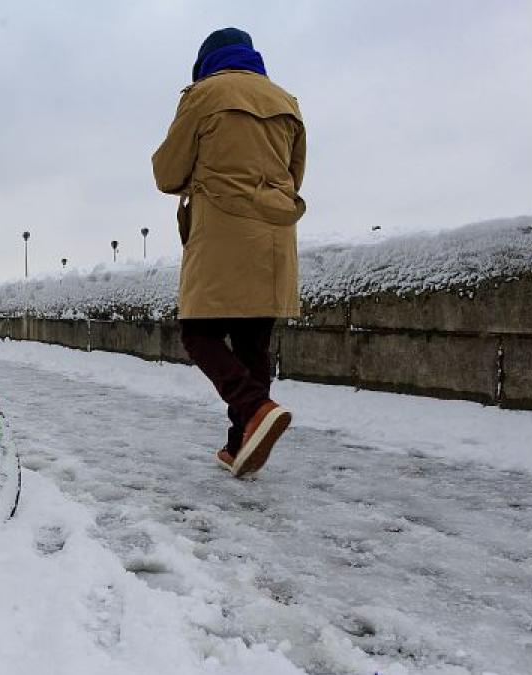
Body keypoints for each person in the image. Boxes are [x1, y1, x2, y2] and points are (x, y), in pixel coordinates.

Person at [151, 27, 306, 478]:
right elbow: (295, 175)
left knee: (198, 332)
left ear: (206, 61)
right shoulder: (287, 103)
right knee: (253, 341)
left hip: (222, 231)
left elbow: (167, 172)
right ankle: (241, 443)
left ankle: (255, 407)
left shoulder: (204, 95)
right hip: (276, 236)